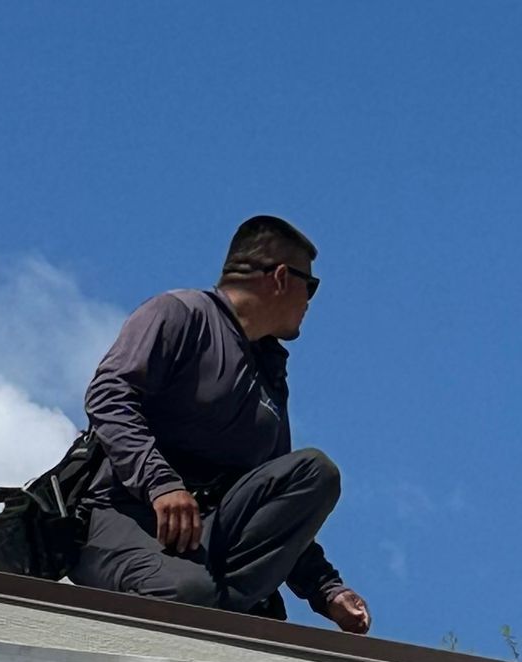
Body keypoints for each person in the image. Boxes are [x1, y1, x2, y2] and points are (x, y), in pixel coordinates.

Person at [72, 216, 371, 634]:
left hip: (208, 541)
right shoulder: (180, 314)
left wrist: (327, 590)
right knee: (190, 595)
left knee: (314, 473)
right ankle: (221, 609)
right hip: (124, 518)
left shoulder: (269, 374)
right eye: (311, 285)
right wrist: (162, 484)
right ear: (281, 277)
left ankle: (225, 609)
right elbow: (108, 396)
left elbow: (272, 503)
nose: (311, 300)